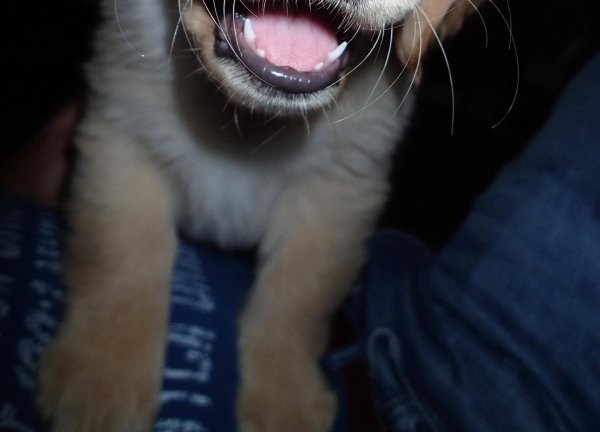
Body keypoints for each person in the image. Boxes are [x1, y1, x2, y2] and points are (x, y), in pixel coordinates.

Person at [1, 51, 599, 431]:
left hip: (405, 340)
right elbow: (113, 144)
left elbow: (338, 195)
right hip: (488, 390)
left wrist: (285, 345)